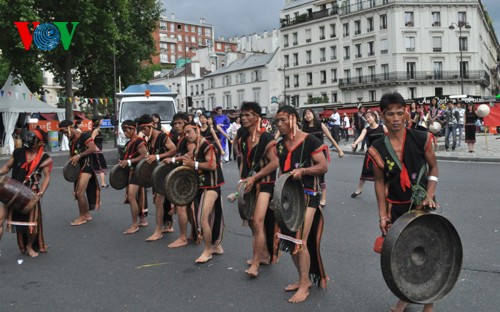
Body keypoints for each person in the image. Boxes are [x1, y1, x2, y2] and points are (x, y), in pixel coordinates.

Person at [368, 92, 438, 312]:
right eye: (390, 114)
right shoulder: (378, 147)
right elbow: (379, 183)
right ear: (383, 115)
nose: (396, 118)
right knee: (401, 255)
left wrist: (429, 195)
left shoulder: (421, 138)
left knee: (426, 252)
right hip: (396, 206)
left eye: (400, 113)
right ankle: (405, 297)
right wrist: (382, 215)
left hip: (423, 205)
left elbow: (434, 168)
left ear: (406, 113)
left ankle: (429, 301)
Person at [275, 105, 329, 303]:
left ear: (292, 119)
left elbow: (323, 166)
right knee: (289, 240)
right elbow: (281, 171)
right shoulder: (280, 145)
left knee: (300, 240)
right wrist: (277, 195)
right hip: (289, 197)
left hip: (308, 195)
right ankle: (302, 278)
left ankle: (305, 284)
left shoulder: (310, 140)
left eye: (282, 120)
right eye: (276, 121)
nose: (278, 124)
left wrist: (304, 171)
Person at [237, 102, 279, 277]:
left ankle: (255, 263)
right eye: (242, 115)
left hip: (266, 183)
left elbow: (275, 162)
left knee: (258, 221)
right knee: (252, 221)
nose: (244, 118)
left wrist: (255, 177)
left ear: (257, 117)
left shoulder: (267, 138)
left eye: (248, 115)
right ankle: (263, 254)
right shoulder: (242, 138)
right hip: (250, 183)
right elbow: (243, 163)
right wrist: (242, 180)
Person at [0, 129, 52, 257]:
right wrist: (1, 173)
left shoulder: (44, 158)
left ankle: (29, 247)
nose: (28, 140)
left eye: (32, 138)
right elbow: (7, 167)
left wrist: (41, 192)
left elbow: (47, 177)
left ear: (40, 143)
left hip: (30, 194)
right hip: (10, 191)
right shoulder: (18, 152)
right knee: (0, 220)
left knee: (32, 224)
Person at [179, 123, 225, 263]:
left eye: (189, 132)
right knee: (212, 218)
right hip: (203, 186)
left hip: (211, 187)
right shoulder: (197, 147)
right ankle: (216, 246)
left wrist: (194, 164)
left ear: (197, 130)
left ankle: (207, 250)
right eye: (185, 133)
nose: (186, 135)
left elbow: (211, 165)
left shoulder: (207, 145)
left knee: (203, 219)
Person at [138, 114, 177, 241]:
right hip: (157, 173)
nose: (143, 132)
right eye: (142, 130)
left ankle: (158, 231)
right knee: (160, 201)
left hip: (165, 172)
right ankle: (168, 225)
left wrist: (158, 157)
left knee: (158, 201)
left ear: (151, 126)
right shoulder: (149, 139)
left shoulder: (162, 136)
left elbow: (173, 150)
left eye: (144, 129)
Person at [58, 120, 100, 226]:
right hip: (78, 168)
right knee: (79, 193)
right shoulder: (71, 140)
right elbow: (71, 154)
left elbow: (92, 148)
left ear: (69, 127)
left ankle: (82, 217)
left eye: (64, 131)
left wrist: (79, 156)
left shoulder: (84, 136)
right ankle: (86, 214)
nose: (64, 134)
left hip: (87, 166)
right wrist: (70, 165)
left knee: (79, 193)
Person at [165, 113, 195, 248]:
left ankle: (183, 238)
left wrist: (173, 159)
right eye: (175, 124)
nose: (176, 126)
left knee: (182, 205)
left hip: (186, 175)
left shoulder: (188, 139)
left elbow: (191, 154)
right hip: (184, 174)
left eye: (179, 123)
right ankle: (194, 233)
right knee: (187, 207)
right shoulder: (182, 138)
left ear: (186, 123)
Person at [302, 108, 342, 208]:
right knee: (308, 176)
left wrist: (339, 150)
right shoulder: (303, 128)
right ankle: (309, 196)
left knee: (321, 177)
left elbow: (330, 137)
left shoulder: (320, 125)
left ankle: (323, 198)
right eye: (305, 114)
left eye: (309, 113)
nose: (307, 115)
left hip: (320, 154)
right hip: (308, 155)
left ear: (313, 114)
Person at [118, 120, 148, 234]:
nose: (125, 133)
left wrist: (129, 161)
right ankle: (142, 220)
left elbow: (144, 155)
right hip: (131, 172)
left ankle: (135, 225)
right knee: (137, 197)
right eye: (124, 131)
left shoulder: (139, 141)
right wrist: (123, 162)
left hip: (137, 172)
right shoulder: (129, 142)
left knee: (131, 197)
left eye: (126, 130)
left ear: (133, 129)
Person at [350, 112, 387, 198]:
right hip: (371, 153)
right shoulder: (366, 129)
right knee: (365, 172)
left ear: (374, 117)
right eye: (367, 118)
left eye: (369, 117)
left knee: (385, 172)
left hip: (382, 153)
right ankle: (359, 190)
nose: (368, 119)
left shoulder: (383, 127)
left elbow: (390, 136)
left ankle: (386, 190)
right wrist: (355, 143)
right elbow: (361, 137)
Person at [91, 117, 109, 188]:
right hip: (96, 151)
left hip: (99, 150)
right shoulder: (96, 130)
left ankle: (102, 183)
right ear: (98, 121)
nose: (102, 121)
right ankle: (102, 183)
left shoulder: (98, 129)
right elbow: (92, 139)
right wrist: (95, 147)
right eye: (101, 120)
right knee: (100, 166)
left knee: (99, 166)